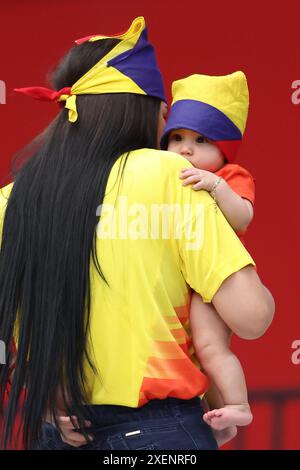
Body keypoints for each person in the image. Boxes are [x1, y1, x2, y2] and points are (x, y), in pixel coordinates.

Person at [0, 17, 274, 451]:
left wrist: (50, 404)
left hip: (56, 430)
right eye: (165, 109)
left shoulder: (11, 200)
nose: (170, 123)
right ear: (143, 109)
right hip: (159, 435)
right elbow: (252, 317)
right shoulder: (173, 175)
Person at [160, 72, 261, 437]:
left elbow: (243, 217)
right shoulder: (161, 177)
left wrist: (217, 186)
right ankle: (220, 420)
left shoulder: (231, 175)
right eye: (177, 138)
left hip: (214, 282)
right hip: (177, 281)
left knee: (209, 345)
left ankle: (238, 405)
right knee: (193, 355)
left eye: (201, 140)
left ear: (223, 150)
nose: (186, 149)